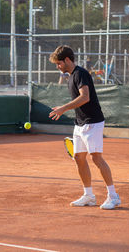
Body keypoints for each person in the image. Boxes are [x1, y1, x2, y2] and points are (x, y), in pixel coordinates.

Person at [48, 45, 121, 210]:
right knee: (79, 158)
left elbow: (85, 97)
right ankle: (88, 195)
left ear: (67, 60)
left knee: (96, 158)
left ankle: (113, 196)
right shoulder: (70, 76)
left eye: (59, 63)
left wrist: (63, 108)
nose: (58, 67)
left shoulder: (80, 74)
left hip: (92, 122)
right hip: (80, 123)